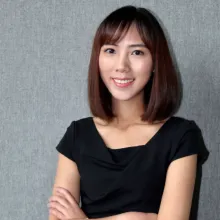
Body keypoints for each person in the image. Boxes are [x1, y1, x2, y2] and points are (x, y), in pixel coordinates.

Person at [47, 5, 205, 220]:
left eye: (137, 52)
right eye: (110, 50)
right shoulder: (77, 136)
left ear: (155, 63)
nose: (121, 65)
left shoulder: (181, 136)